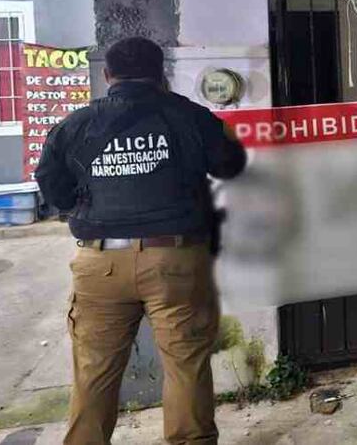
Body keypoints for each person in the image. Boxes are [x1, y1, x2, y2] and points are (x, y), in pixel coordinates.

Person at [36, 37, 246, 445]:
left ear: (106, 75)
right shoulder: (189, 116)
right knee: (185, 366)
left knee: (94, 372)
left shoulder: (74, 125)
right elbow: (230, 165)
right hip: (175, 260)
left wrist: (83, 203)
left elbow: (52, 186)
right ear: (161, 73)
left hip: (100, 266)